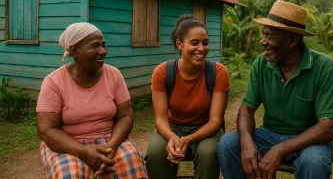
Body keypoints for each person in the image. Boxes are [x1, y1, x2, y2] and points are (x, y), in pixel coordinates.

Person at [218, 0, 333, 179]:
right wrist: (246, 141)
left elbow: (329, 128)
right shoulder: (261, 64)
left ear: (292, 40)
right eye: (264, 35)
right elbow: (247, 108)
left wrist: (280, 150)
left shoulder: (325, 68)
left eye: (270, 36)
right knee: (228, 144)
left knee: (314, 161)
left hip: (309, 141)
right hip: (269, 134)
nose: (263, 42)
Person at [36, 22, 147, 178]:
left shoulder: (114, 75)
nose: (102, 51)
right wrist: (84, 152)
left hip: (110, 139)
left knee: (131, 162)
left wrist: (111, 147)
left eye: (104, 45)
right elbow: (47, 130)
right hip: (68, 144)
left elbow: (125, 115)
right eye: (94, 46)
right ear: (75, 51)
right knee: (70, 174)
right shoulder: (54, 82)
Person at [144, 15, 231, 179]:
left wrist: (188, 140)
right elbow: (161, 118)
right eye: (194, 43)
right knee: (155, 153)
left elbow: (215, 121)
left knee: (208, 154)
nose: (201, 48)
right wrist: (172, 138)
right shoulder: (163, 72)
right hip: (173, 127)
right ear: (179, 44)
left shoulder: (218, 72)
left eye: (205, 43)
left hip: (206, 129)